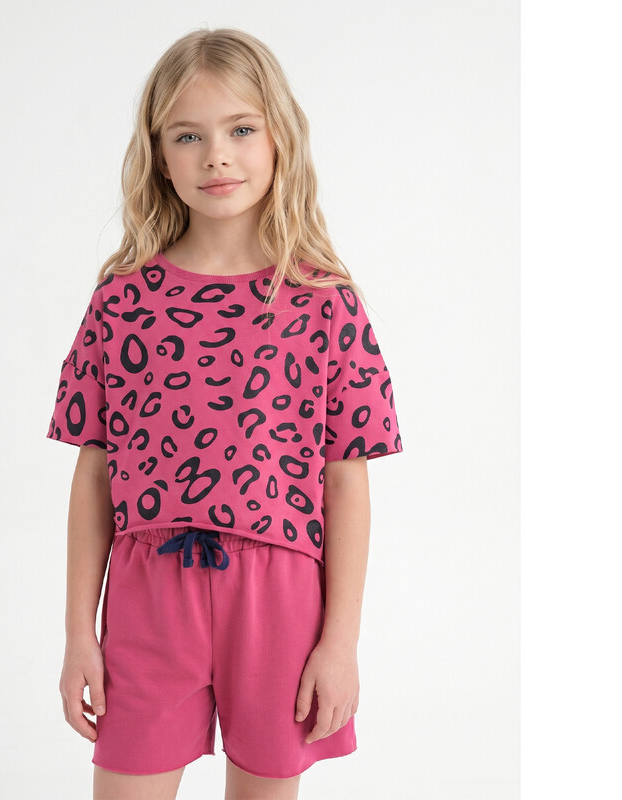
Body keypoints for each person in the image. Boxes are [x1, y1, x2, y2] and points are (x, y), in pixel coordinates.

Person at [46, 26, 403, 800]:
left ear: (279, 139)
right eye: (189, 136)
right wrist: (79, 632)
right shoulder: (122, 300)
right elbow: (94, 470)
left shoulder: (324, 302)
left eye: (241, 129)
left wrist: (340, 642)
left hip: (280, 595)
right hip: (148, 592)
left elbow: (347, 481)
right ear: (159, 154)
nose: (216, 156)